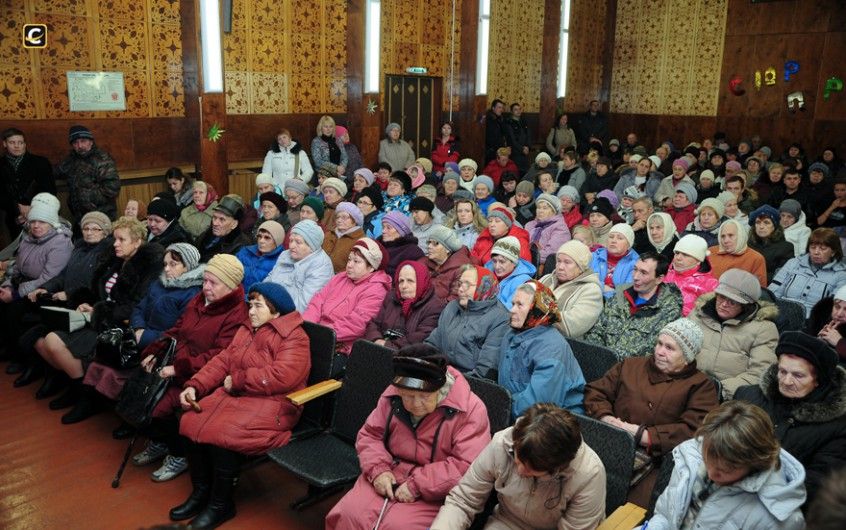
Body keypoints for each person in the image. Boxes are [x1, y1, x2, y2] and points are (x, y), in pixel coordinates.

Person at [173, 283, 310, 529]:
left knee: (223, 432)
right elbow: (224, 360)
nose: (251, 312)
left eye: (258, 306)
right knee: (189, 421)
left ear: (276, 311)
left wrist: (238, 380)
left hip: (277, 403)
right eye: (251, 305)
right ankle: (201, 492)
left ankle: (221, 504)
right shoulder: (248, 329)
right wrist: (196, 385)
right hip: (241, 394)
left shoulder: (295, 337)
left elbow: (282, 376)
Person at [325, 344, 491, 530]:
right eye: (408, 396)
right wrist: (378, 470)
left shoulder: (471, 409)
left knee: (397, 526)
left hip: (434, 489)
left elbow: (466, 465)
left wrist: (417, 485)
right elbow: (371, 435)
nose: (416, 404)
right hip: (389, 472)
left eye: (424, 396)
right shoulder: (392, 394)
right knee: (349, 514)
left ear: (440, 387)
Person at [129, 254, 248, 481]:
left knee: (156, 409)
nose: (206, 287)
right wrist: (157, 349)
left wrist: (178, 369)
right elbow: (178, 328)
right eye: (205, 280)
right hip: (178, 365)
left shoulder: (237, 314)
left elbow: (219, 356)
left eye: (213, 283)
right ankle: (162, 442)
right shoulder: (200, 300)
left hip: (202, 378)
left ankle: (178, 453)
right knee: (140, 400)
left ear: (231, 286)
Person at [37, 217, 164, 424]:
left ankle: (86, 397)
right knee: (45, 339)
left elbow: (133, 307)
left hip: (119, 327)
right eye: (115, 239)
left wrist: (97, 312)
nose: (115, 244)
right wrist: (89, 305)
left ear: (138, 241)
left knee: (53, 340)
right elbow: (104, 295)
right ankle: (77, 389)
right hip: (102, 318)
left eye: (121, 240)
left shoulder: (148, 266)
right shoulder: (116, 261)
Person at [585, 318, 718, 505]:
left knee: (632, 504)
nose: (660, 352)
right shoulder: (631, 366)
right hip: (609, 438)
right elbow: (596, 391)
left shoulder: (701, 386)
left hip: (658, 460)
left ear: (687, 357)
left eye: (670, 348)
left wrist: (645, 435)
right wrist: (605, 417)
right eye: (659, 343)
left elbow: (695, 430)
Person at [82, 243, 204, 443]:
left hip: (163, 346)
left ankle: (135, 419)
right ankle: (116, 409)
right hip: (140, 335)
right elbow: (139, 307)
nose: (166, 269)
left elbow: (180, 331)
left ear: (188, 267)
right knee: (104, 357)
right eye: (165, 264)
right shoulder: (159, 283)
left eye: (173, 264)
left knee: (134, 373)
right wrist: (138, 329)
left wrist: (146, 336)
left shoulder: (191, 294)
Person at [431, 404, 606, 530]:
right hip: (505, 523)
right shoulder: (502, 444)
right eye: (517, 460)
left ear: (557, 467)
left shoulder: (589, 474)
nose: (520, 471)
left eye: (532, 470)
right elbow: (463, 501)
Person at [646, 401, 806, 530]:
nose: (710, 474)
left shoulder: (778, 517)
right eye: (707, 460)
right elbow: (666, 515)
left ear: (754, 463)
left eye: (724, 471)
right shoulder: (692, 459)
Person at [735, 331, 846, 506]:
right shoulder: (747, 396)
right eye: (782, 371)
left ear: (818, 381)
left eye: (798, 375)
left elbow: (818, 482)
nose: (786, 381)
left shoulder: (838, 426)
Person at [16, 212, 113, 393]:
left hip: (85, 307)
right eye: (86, 228)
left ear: (106, 232)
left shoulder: (107, 254)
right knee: (34, 332)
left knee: (47, 333)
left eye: (95, 229)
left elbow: (95, 288)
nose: (89, 232)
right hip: (66, 303)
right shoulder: (79, 247)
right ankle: (58, 377)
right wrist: (46, 288)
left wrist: (68, 294)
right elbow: (63, 275)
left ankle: (75, 386)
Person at [0, 195, 74, 376]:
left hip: (46, 291)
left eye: (42, 221)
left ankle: (24, 359)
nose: (36, 226)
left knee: (14, 310)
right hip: (22, 285)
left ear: (51, 223)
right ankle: (9, 348)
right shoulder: (28, 239)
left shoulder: (60, 243)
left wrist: (16, 294)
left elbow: (48, 278)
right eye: (33, 221)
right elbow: (16, 267)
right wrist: (8, 286)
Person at [499, 281, 586, 420]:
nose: (512, 310)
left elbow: (538, 407)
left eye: (520, 305)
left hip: (556, 423)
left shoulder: (552, 348)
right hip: (516, 414)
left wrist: (501, 408)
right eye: (513, 303)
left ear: (537, 310)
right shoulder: (512, 334)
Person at [688, 269, 778, 400]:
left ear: (746, 305)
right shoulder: (697, 315)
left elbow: (760, 373)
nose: (724, 304)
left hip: (728, 398)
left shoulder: (763, 329)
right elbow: (675, 349)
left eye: (732, 301)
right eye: (721, 297)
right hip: (687, 384)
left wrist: (719, 390)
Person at [585, 252, 683, 360]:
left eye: (643, 273)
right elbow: (597, 329)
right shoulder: (620, 295)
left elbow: (649, 350)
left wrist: (610, 359)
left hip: (631, 371)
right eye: (635, 269)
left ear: (659, 279)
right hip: (598, 361)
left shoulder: (669, 310)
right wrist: (595, 355)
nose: (635, 277)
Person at [304, 237, 391, 355]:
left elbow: (357, 324)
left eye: (356, 261)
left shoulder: (377, 289)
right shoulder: (340, 277)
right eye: (349, 260)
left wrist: (322, 334)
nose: (349, 265)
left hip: (341, 345)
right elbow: (318, 301)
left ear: (371, 267)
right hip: (317, 333)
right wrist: (308, 326)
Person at [426, 265, 509, 379]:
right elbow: (432, 344)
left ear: (484, 287)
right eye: (460, 283)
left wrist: (450, 382)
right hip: (441, 375)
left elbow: (485, 371)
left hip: (470, 383)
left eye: (467, 285)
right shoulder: (452, 307)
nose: (460, 289)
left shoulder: (500, 318)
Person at [364, 261, 446, 350]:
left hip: (405, 357)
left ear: (422, 281)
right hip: (378, 348)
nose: (404, 286)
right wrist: (377, 340)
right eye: (401, 281)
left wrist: (386, 346)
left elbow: (420, 337)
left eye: (410, 281)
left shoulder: (435, 306)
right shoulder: (392, 296)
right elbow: (374, 323)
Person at [770, 227, 846, 317]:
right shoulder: (793, 263)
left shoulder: (841, 275)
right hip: (780, 313)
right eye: (813, 247)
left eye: (823, 248)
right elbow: (773, 291)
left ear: (833, 252)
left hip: (812, 320)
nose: (816, 252)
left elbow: (833, 308)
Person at [539, 240, 603, 339]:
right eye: (559, 261)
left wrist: (534, 313)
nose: (560, 267)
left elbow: (572, 326)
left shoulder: (591, 290)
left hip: (563, 346)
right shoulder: (547, 278)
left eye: (567, 262)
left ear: (580, 267)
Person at [55, 125, 120, 220]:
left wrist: (85, 197)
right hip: (79, 217)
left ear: (91, 141)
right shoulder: (71, 159)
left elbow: (112, 188)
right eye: (75, 143)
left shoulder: (102, 160)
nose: (80, 146)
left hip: (101, 216)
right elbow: (58, 171)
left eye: (83, 141)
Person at [0, 128, 55, 239]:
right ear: (4, 144)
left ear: (25, 144)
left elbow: (50, 190)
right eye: (12, 142)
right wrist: (18, 208)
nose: (17, 146)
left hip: (41, 215)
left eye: (20, 142)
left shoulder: (40, 162)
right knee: (19, 251)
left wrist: (32, 209)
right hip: (13, 217)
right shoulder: (1, 165)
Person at [417, 225, 478, 301]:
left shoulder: (461, 269)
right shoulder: (422, 263)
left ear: (448, 249)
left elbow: (455, 299)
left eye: (435, 243)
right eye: (429, 242)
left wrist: (427, 307)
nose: (429, 246)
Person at [663, 234, 719, 316]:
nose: (678, 258)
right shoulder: (665, 272)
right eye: (677, 253)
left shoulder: (710, 284)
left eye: (685, 255)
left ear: (698, 260)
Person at [708, 219, 767, 287]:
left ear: (740, 235)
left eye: (731, 235)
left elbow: (759, 291)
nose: (726, 240)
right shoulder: (711, 251)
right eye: (723, 236)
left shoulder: (756, 258)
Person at [196, 196, 252, 263]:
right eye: (214, 217)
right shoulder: (206, 235)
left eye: (222, 219)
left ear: (234, 224)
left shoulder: (242, 246)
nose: (215, 223)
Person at [591, 223, 639, 299]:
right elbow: (586, 282)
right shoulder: (594, 257)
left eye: (620, 238)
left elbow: (626, 294)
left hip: (616, 306)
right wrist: (605, 288)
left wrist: (600, 288)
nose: (613, 241)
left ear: (628, 244)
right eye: (611, 237)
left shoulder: (636, 264)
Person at [748, 204, 794, 283]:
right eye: (758, 222)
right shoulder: (748, 244)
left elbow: (782, 276)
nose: (761, 226)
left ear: (774, 226)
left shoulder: (786, 248)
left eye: (766, 222)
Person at [234, 220, 285, 290]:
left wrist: (241, 270)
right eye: (259, 236)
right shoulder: (245, 251)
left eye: (267, 238)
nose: (261, 241)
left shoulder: (282, 261)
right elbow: (230, 269)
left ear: (277, 241)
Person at [524, 193, 571, 267]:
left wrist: (525, 255)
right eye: (539, 208)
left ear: (554, 211)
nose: (540, 211)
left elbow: (550, 254)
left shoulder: (560, 229)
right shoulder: (530, 225)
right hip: (525, 262)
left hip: (543, 269)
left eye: (545, 208)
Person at [322, 202, 365, 273]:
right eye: (338, 217)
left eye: (344, 217)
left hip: (342, 278)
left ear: (354, 221)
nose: (339, 220)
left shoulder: (360, 240)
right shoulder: (329, 234)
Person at [378, 211, 424, 277]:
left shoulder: (413, 252)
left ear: (401, 231)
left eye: (388, 227)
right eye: (383, 227)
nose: (383, 231)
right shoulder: (378, 245)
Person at [484, 99, 507, 164]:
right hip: (491, 151)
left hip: (499, 150)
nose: (501, 110)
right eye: (499, 107)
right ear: (493, 108)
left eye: (502, 108)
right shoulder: (489, 119)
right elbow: (490, 137)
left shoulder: (500, 119)